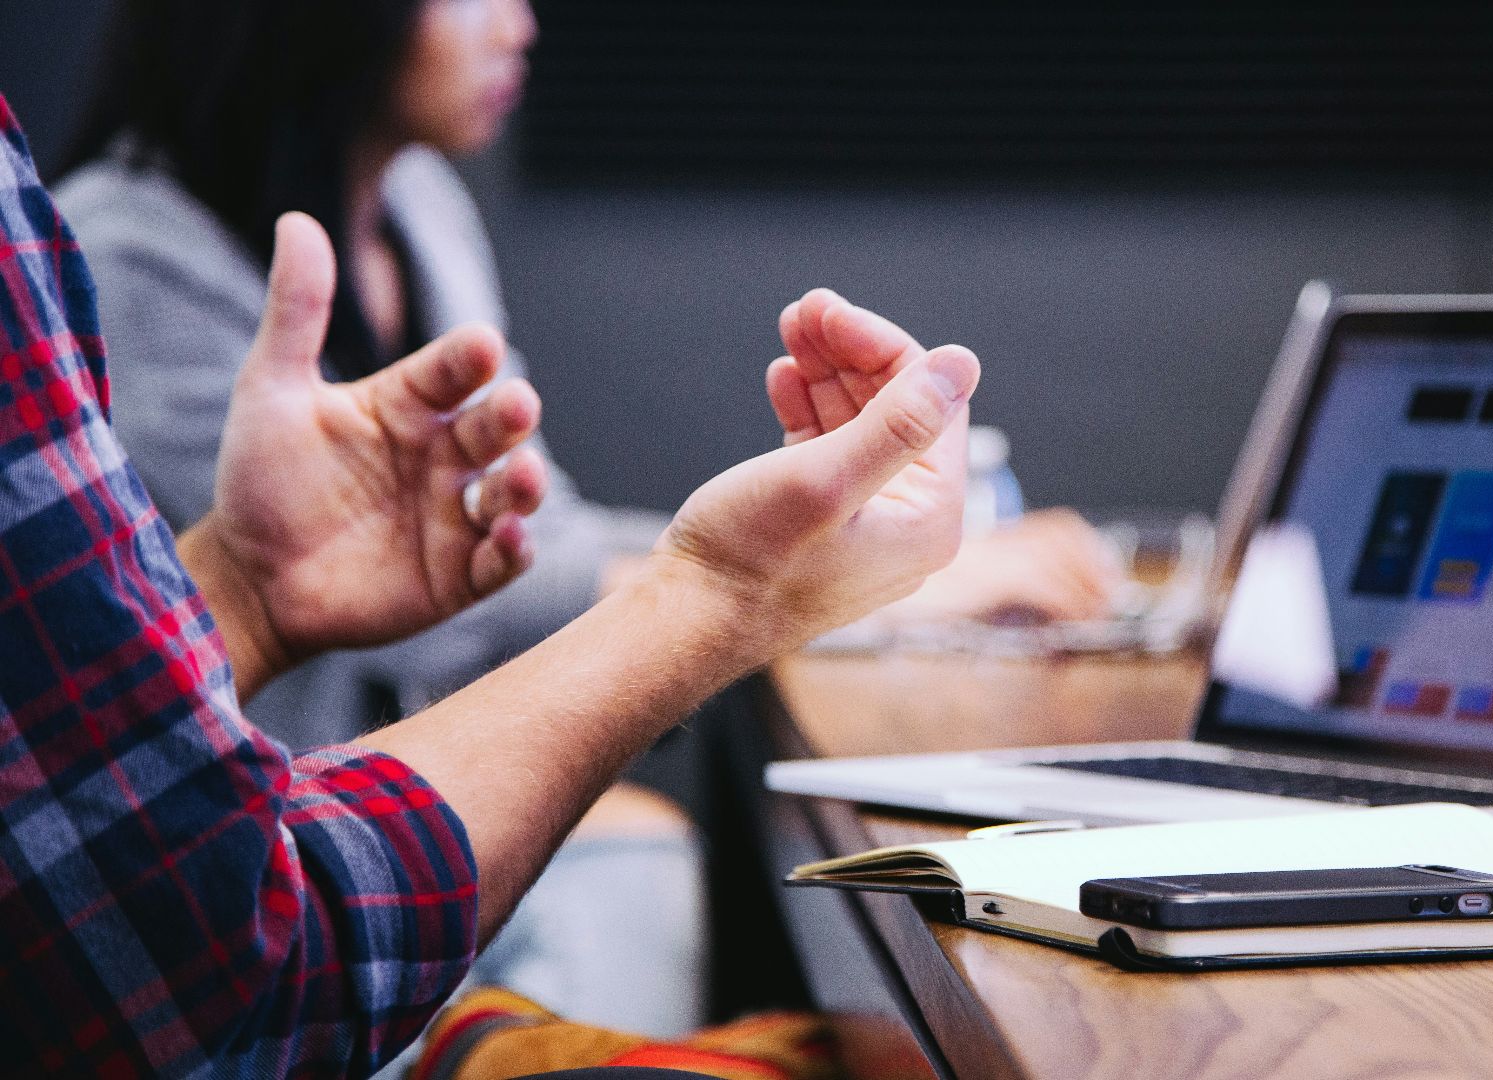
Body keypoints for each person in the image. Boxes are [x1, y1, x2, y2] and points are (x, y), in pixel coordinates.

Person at [0, 87, 983, 1077]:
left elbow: (60, 747)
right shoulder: (121, 247)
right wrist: (726, 594)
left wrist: (246, 593)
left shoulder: (420, 201)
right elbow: (215, 978)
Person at [54, 0, 1120, 754]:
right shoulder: (127, 257)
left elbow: (527, 541)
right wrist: (834, 593)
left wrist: (838, 568)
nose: (519, 21)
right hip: (273, 827)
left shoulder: (416, 204)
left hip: (403, 778)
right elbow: (461, 607)